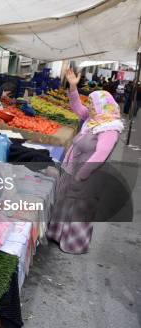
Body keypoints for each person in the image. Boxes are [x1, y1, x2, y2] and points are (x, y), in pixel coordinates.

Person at [47, 68, 123, 254]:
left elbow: (101, 155)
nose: (87, 106)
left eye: (91, 103)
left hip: (87, 176)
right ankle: (57, 235)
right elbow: (77, 107)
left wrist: (81, 175)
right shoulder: (93, 119)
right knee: (65, 201)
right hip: (73, 168)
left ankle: (74, 244)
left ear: (101, 106)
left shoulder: (109, 128)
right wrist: (73, 87)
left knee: (80, 208)